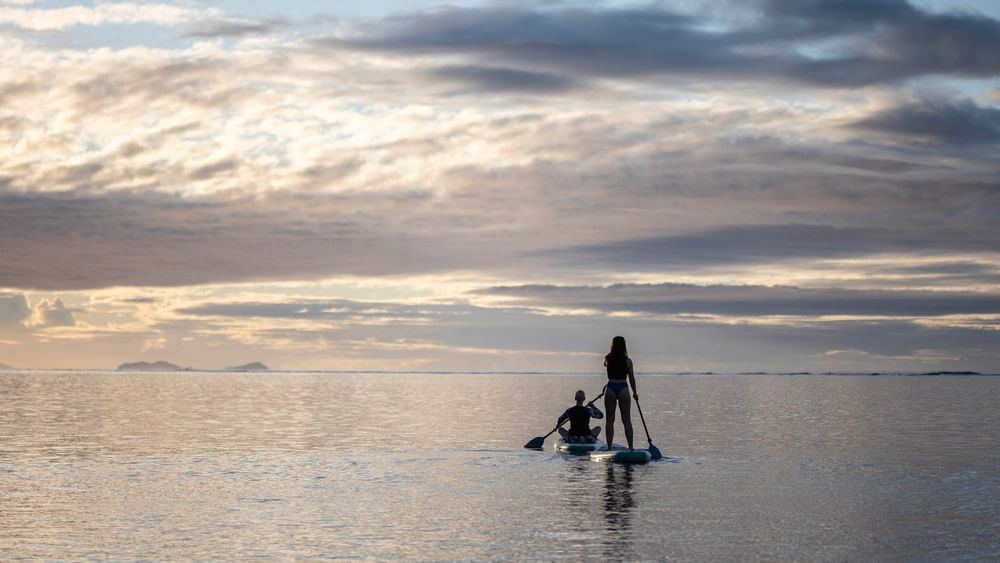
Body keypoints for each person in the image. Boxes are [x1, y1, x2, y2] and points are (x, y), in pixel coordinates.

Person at [604, 335, 637, 450]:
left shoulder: (607, 359)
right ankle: (631, 448)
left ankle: (609, 448)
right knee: (626, 420)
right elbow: (632, 378)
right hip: (623, 388)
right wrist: (635, 393)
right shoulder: (628, 361)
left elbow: (611, 373)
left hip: (611, 388)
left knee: (609, 420)